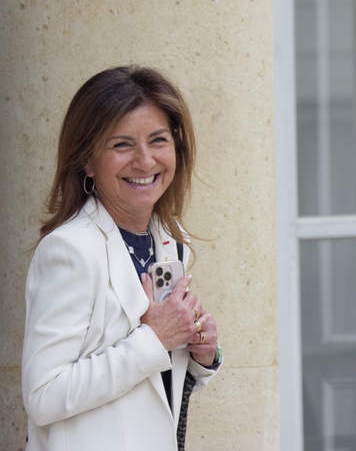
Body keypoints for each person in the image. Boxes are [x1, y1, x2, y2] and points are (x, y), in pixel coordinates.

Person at [22, 65, 222, 451]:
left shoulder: (168, 241)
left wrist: (201, 353)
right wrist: (154, 338)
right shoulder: (70, 251)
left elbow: (153, 386)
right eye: (122, 145)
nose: (145, 162)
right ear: (87, 160)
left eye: (158, 140)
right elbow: (43, 395)